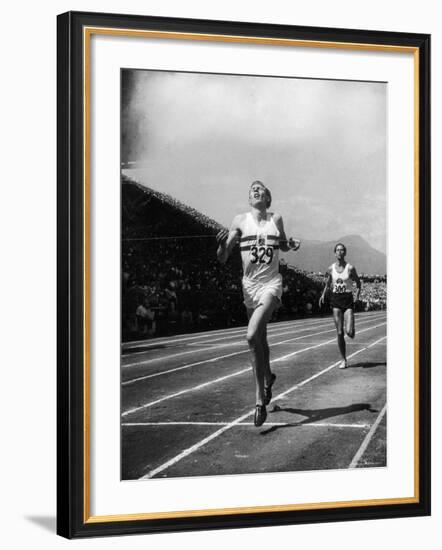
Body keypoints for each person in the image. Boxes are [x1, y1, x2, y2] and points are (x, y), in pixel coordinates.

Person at [216, 181, 300, 427]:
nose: (255, 190)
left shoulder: (277, 219)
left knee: (251, 336)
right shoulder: (239, 221)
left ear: (268, 198)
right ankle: (269, 378)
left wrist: (290, 245)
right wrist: (222, 245)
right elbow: (222, 258)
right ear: (249, 199)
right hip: (249, 287)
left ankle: (259, 400)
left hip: (271, 284)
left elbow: (282, 243)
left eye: (260, 188)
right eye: (252, 189)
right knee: (261, 340)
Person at [319, 243, 362, 369]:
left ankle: (351, 330)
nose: (340, 252)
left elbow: (359, 284)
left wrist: (357, 297)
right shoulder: (330, 268)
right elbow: (327, 283)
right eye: (337, 250)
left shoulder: (350, 268)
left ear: (345, 253)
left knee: (349, 332)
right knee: (339, 332)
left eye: (342, 250)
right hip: (336, 300)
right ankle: (343, 359)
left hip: (347, 300)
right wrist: (323, 295)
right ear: (334, 253)